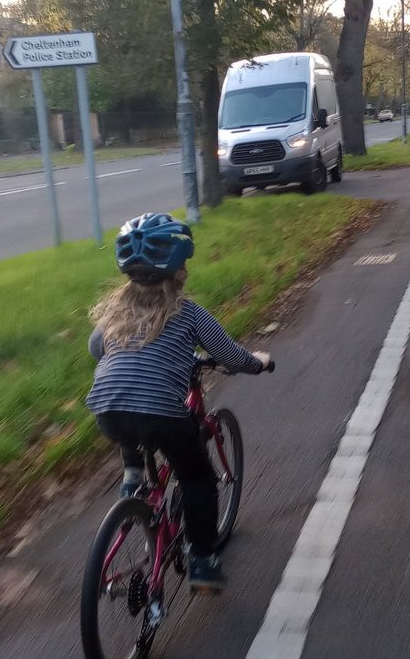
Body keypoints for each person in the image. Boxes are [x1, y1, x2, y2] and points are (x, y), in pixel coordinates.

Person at [86, 212, 271, 593]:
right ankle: (202, 561)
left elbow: (95, 349)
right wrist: (258, 363)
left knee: (128, 408)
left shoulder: (112, 314)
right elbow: (230, 355)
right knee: (197, 478)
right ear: (179, 269)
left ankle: (132, 477)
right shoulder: (188, 314)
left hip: (106, 410)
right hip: (162, 417)